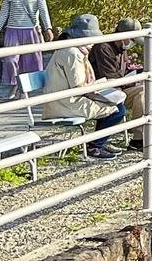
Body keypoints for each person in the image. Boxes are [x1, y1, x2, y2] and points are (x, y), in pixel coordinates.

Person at [40, 13, 126, 159]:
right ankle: (95, 145)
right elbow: (79, 86)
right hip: (65, 102)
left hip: (67, 98)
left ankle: (97, 142)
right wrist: (100, 90)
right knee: (117, 110)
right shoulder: (72, 53)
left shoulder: (74, 49)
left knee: (113, 104)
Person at [94, 16, 152, 149]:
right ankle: (139, 138)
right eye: (132, 40)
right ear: (122, 36)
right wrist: (137, 79)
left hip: (120, 87)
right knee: (143, 92)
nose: (132, 44)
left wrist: (144, 72)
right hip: (107, 91)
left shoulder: (121, 48)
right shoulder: (103, 48)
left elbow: (122, 74)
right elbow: (110, 78)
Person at [0, 0, 53, 88]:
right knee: (10, 60)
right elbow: (4, 13)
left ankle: (29, 87)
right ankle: (13, 84)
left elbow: (44, 11)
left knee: (32, 61)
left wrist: (48, 28)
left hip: (31, 31)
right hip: (13, 31)